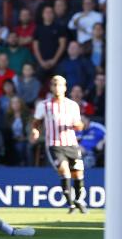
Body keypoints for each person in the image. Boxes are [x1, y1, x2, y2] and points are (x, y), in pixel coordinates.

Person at [30, 75, 87, 213]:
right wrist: (35, 131)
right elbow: (35, 123)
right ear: (51, 87)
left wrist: (79, 125)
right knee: (64, 169)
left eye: (60, 85)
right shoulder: (44, 105)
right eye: (54, 85)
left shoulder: (72, 105)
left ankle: (78, 200)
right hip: (54, 144)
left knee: (78, 175)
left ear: (65, 87)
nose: (57, 87)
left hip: (71, 144)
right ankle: (70, 204)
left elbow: (78, 124)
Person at [32, 6, 67, 81]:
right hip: (42, 62)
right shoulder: (38, 28)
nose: (48, 14)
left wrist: (54, 60)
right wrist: (41, 61)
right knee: (35, 79)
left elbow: (62, 45)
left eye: (50, 12)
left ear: (53, 14)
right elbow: (35, 46)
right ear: (42, 15)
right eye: (46, 12)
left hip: (57, 62)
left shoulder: (59, 27)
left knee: (61, 79)